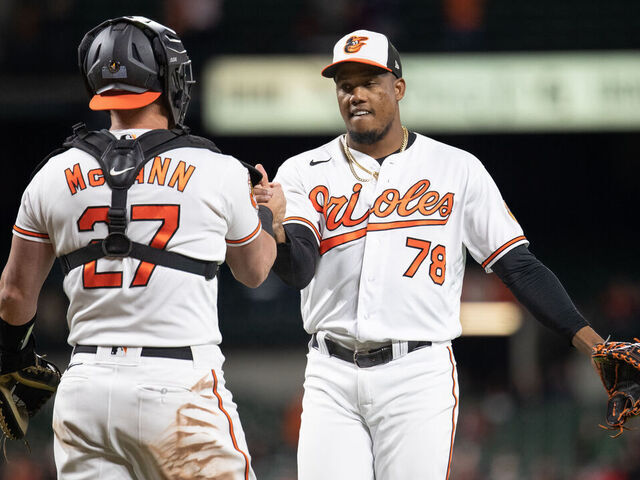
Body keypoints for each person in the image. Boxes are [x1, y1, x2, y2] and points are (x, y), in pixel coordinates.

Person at [254, 29, 605, 479]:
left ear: (397, 88)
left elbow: (519, 267)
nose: (356, 95)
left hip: (416, 374)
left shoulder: (455, 168)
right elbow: (298, 270)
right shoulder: (303, 170)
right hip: (330, 374)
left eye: (369, 82)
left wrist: (593, 345)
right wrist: (278, 229)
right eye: (345, 85)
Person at [0, 16, 284, 480]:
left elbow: (14, 295)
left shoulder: (51, 174)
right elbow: (255, 270)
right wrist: (271, 214)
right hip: (176, 385)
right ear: (169, 81)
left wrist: (11, 359)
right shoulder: (216, 167)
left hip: (85, 390)